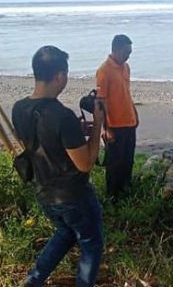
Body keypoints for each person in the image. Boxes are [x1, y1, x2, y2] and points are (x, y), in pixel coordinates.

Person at [12, 46, 104, 287]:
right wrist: (97, 128)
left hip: (43, 191)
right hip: (72, 195)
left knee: (64, 234)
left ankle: (33, 281)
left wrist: (76, 133)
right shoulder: (62, 116)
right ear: (60, 76)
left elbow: (41, 140)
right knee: (91, 244)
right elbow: (85, 164)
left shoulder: (19, 108)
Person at [96, 34, 139, 201]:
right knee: (115, 163)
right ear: (117, 49)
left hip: (129, 121)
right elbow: (101, 101)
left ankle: (126, 189)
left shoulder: (126, 67)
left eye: (130, 52)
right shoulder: (104, 71)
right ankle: (113, 195)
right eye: (126, 52)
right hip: (115, 125)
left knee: (128, 159)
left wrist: (134, 112)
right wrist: (106, 128)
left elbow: (126, 93)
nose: (128, 56)